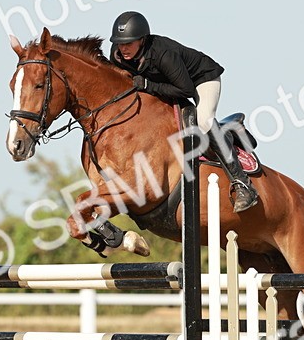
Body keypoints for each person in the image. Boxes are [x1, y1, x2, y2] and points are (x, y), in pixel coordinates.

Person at [108, 11, 260, 212]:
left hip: (200, 80)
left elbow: (185, 90)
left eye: (129, 43)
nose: (123, 48)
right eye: (120, 43)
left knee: (204, 120)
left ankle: (242, 184)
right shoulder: (118, 55)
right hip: (168, 83)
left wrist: (147, 85)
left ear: (142, 40)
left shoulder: (164, 54)